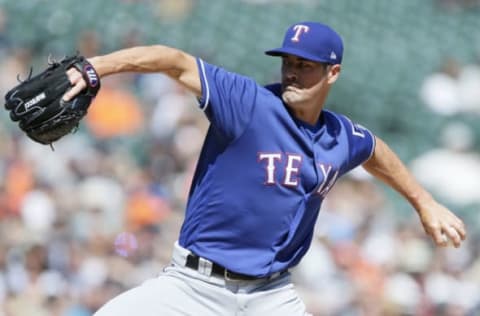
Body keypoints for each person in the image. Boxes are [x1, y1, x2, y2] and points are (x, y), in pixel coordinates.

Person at [63, 21, 467, 316]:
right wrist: (96, 66)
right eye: (288, 61)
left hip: (271, 297)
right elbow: (174, 61)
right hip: (193, 287)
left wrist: (423, 202)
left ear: (333, 73)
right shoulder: (249, 104)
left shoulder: (339, 135)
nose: (291, 71)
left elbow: (375, 150)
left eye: (305, 64)